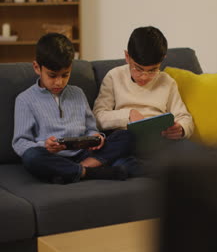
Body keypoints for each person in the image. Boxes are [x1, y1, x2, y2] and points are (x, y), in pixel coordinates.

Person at [12, 33, 133, 184]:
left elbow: (91, 128)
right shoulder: (25, 99)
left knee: (124, 136)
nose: (59, 82)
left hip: (84, 153)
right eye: (52, 75)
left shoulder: (77, 93)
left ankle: (73, 171)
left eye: (65, 75)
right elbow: (20, 142)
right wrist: (45, 146)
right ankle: (89, 172)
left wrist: (97, 137)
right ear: (37, 67)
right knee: (31, 158)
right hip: (51, 157)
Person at [93, 26, 194, 175]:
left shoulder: (167, 82)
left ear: (162, 60)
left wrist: (181, 128)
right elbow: (98, 117)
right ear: (127, 57)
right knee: (122, 162)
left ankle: (162, 168)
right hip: (126, 142)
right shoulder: (114, 77)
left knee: (195, 152)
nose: (145, 77)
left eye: (153, 70)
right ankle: (160, 169)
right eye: (138, 69)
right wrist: (128, 115)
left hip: (159, 142)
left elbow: (184, 117)